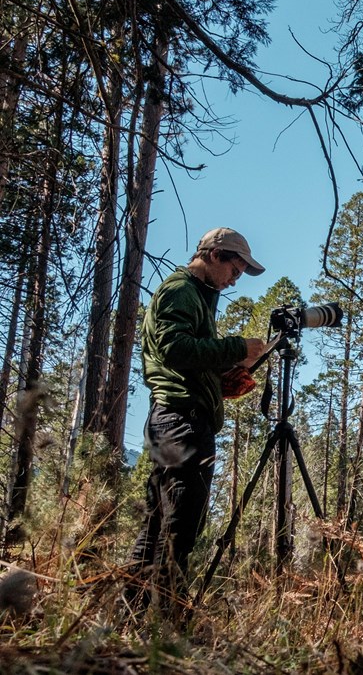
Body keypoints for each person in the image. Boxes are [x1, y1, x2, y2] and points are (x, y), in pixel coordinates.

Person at [125, 227, 268, 614]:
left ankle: (131, 615)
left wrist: (225, 375)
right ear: (216, 254)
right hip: (179, 421)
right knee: (180, 526)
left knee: (162, 524)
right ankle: (165, 619)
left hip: (181, 418)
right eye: (235, 270)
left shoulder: (198, 297)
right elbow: (173, 349)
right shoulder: (180, 290)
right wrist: (236, 347)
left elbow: (188, 357)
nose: (234, 280)